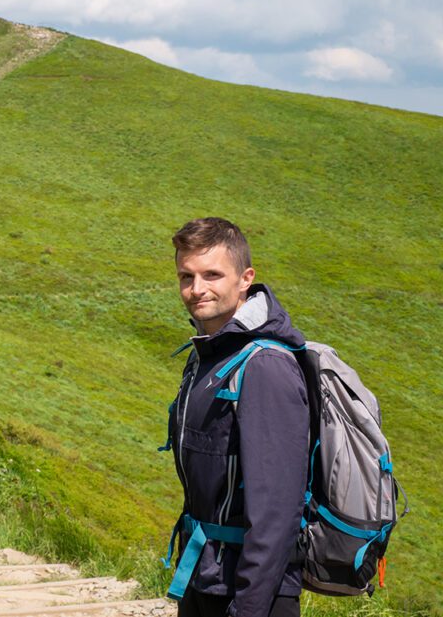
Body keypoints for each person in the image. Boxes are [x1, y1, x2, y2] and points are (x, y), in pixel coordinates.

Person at [166, 217, 309, 617]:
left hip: (252, 594)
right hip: (206, 576)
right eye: (186, 276)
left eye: (212, 275)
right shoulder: (207, 357)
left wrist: (248, 607)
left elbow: (277, 511)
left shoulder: (264, 366)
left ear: (245, 279)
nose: (197, 290)